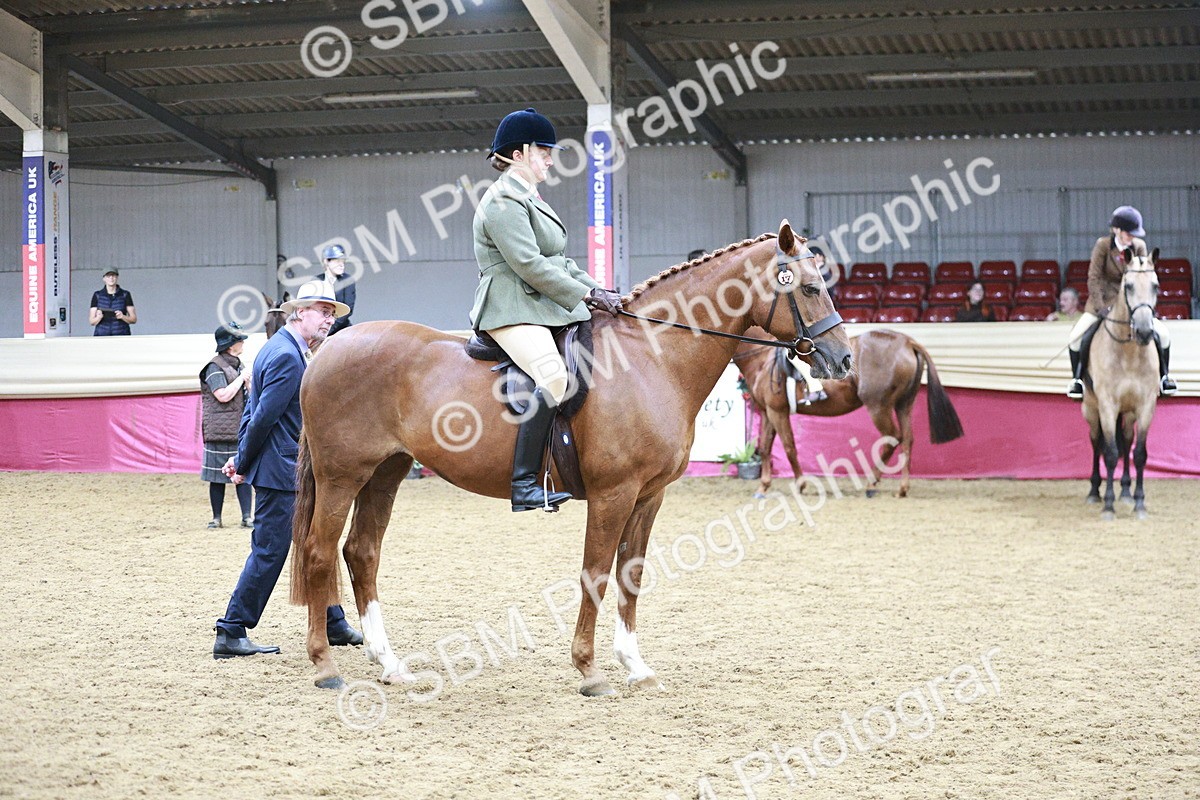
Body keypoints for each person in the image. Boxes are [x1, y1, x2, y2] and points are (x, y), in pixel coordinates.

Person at [469, 108, 624, 513]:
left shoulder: (530, 197)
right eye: (544, 151)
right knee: (555, 378)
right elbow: (528, 264)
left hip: (539, 304)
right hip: (510, 306)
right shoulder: (502, 201)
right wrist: (584, 297)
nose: (551, 159)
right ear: (519, 153)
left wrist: (599, 291)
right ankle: (523, 485)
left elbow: (560, 261)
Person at [213, 280, 363, 658]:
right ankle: (232, 629)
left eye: (332, 313)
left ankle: (334, 622)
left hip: (280, 469)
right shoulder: (287, 357)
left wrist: (241, 456)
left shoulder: (276, 349)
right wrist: (243, 462)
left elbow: (253, 411)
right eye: (323, 312)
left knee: (318, 544)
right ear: (299, 312)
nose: (329, 319)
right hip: (283, 474)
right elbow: (263, 417)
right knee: (269, 551)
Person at [1066, 206, 1176, 399]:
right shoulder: (1103, 246)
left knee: (1164, 335)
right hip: (1102, 302)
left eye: (1134, 234)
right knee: (1075, 338)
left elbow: (1143, 279)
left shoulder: (1139, 246)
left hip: (1132, 305)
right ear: (1116, 229)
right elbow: (1094, 278)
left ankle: (1164, 377)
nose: (1131, 237)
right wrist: (1101, 307)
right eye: (1128, 233)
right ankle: (1078, 381)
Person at [200, 322, 254, 530]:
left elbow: (249, 393)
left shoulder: (238, 365)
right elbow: (222, 395)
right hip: (219, 430)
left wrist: (247, 381)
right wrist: (242, 378)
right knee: (217, 477)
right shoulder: (214, 367)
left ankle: (247, 516)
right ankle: (216, 518)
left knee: (243, 472)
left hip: (238, 427)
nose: (242, 343)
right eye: (240, 340)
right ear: (231, 345)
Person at [318, 244, 356, 336]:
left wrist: (329, 329)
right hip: (319, 328)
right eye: (337, 261)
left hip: (341, 329)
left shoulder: (348, 280)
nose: (341, 265)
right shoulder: (316, 280)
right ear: (326, 261)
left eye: (343, 261)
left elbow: (348, 309)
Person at [88, 268, 137, 335]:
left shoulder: (125, 294)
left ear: (117, 278)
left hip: (121, 335)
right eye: (108, 276)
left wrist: (123, 316)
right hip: (102, 336)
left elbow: (133, 319)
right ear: (104, 279)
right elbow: (92, 321)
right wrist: (99, 317)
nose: (111, 278)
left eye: (113, 275)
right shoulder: (97, 295)